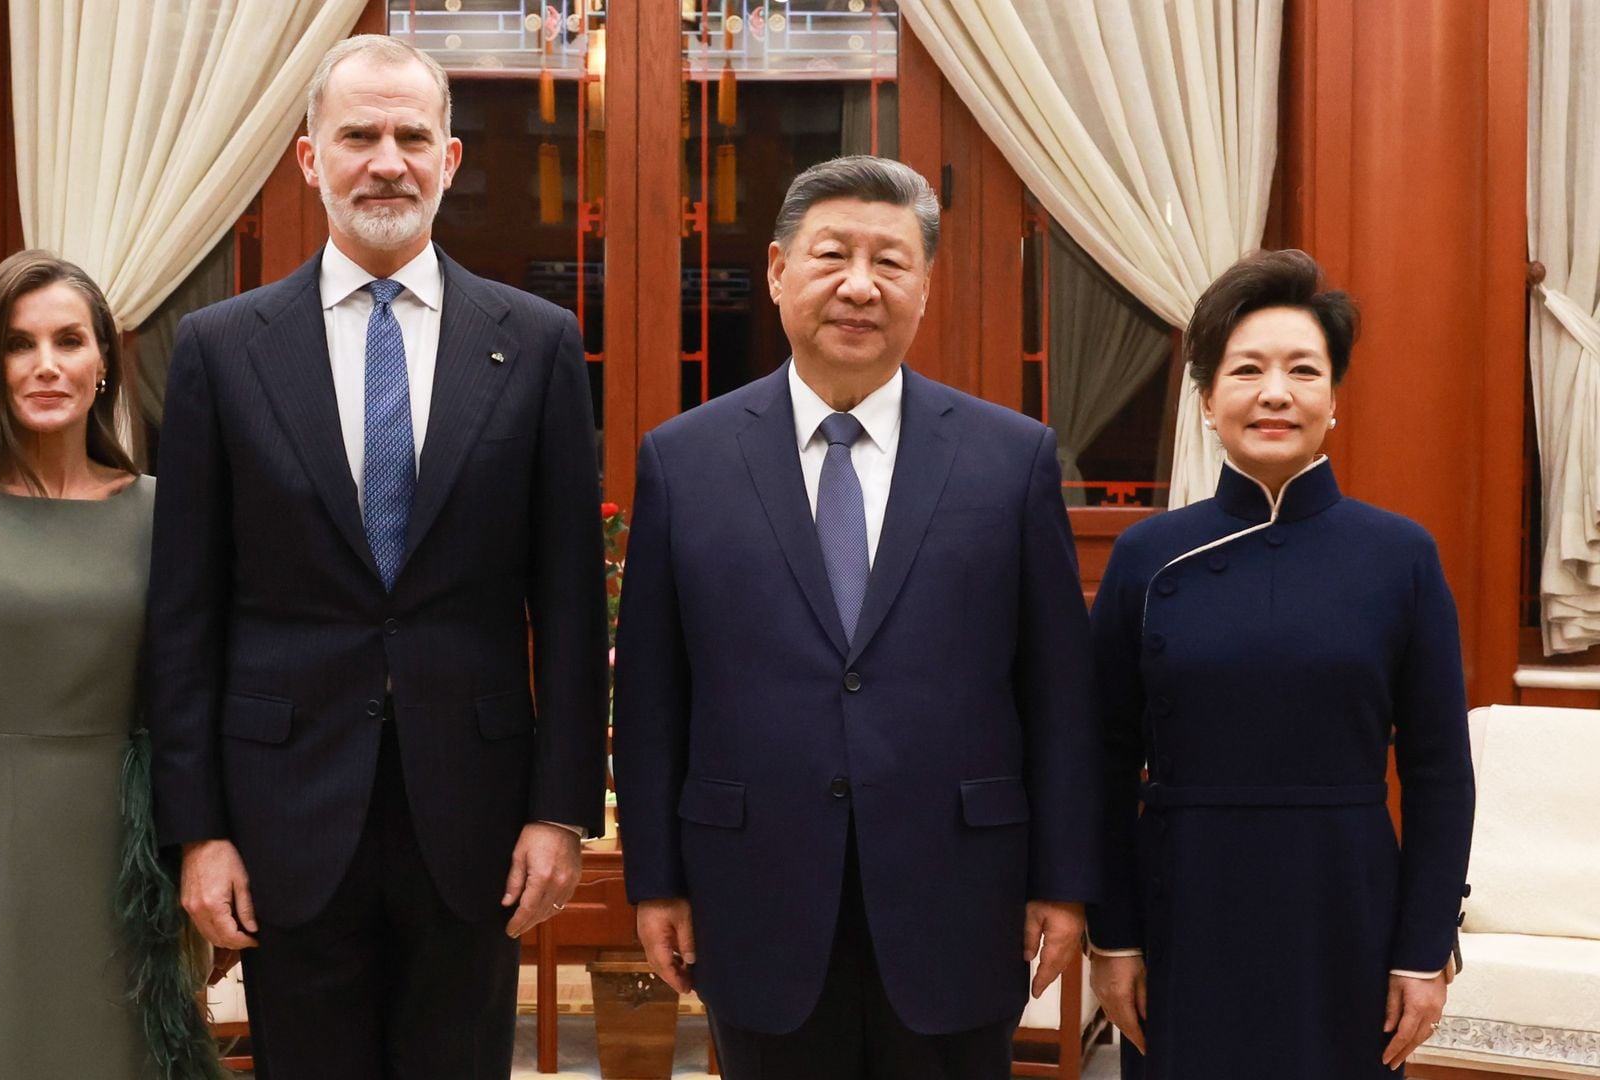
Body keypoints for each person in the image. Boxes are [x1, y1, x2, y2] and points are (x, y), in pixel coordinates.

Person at [143, 34, 607, 1079]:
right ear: (312, 159)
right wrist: (198, 829)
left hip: (478, 819)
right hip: (281, 814)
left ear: (449, 160)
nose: (385, 161)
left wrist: (560, 810)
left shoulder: (534, 345)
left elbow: (572, 603)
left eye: (410, 136)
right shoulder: (222, 350)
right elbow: (185, 613)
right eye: (358, 136)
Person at [611, 156, 1103, 1078]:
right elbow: (651, 697)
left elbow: (1058, 695)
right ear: (777, 271)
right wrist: (658, 881)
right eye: (832, 254)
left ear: (927, 284)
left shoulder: (1012, 458)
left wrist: (1063, 883)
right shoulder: (685, 461)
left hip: (962, 894)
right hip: (754, 892)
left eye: (891, 261)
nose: (859, 286)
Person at [1085, 249, 1475, 1079]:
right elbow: (1104, 760)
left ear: (1333, 400)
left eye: (1304, 370)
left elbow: (1441, 769)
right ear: (1205, 399)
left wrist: (1425, 946)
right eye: (1247, 369)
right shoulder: (1146, 556)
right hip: (1185, 904)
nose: (1275, 393)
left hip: (1346, 906)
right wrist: (1112, 935)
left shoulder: (1400, 556)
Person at [0, 251, 217, 1078]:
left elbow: (195, 710)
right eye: (20, 345)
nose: (47, 365)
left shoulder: (164, 515)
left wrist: (202, 869)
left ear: (103, 366)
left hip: (136, 873)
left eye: (69, 341)